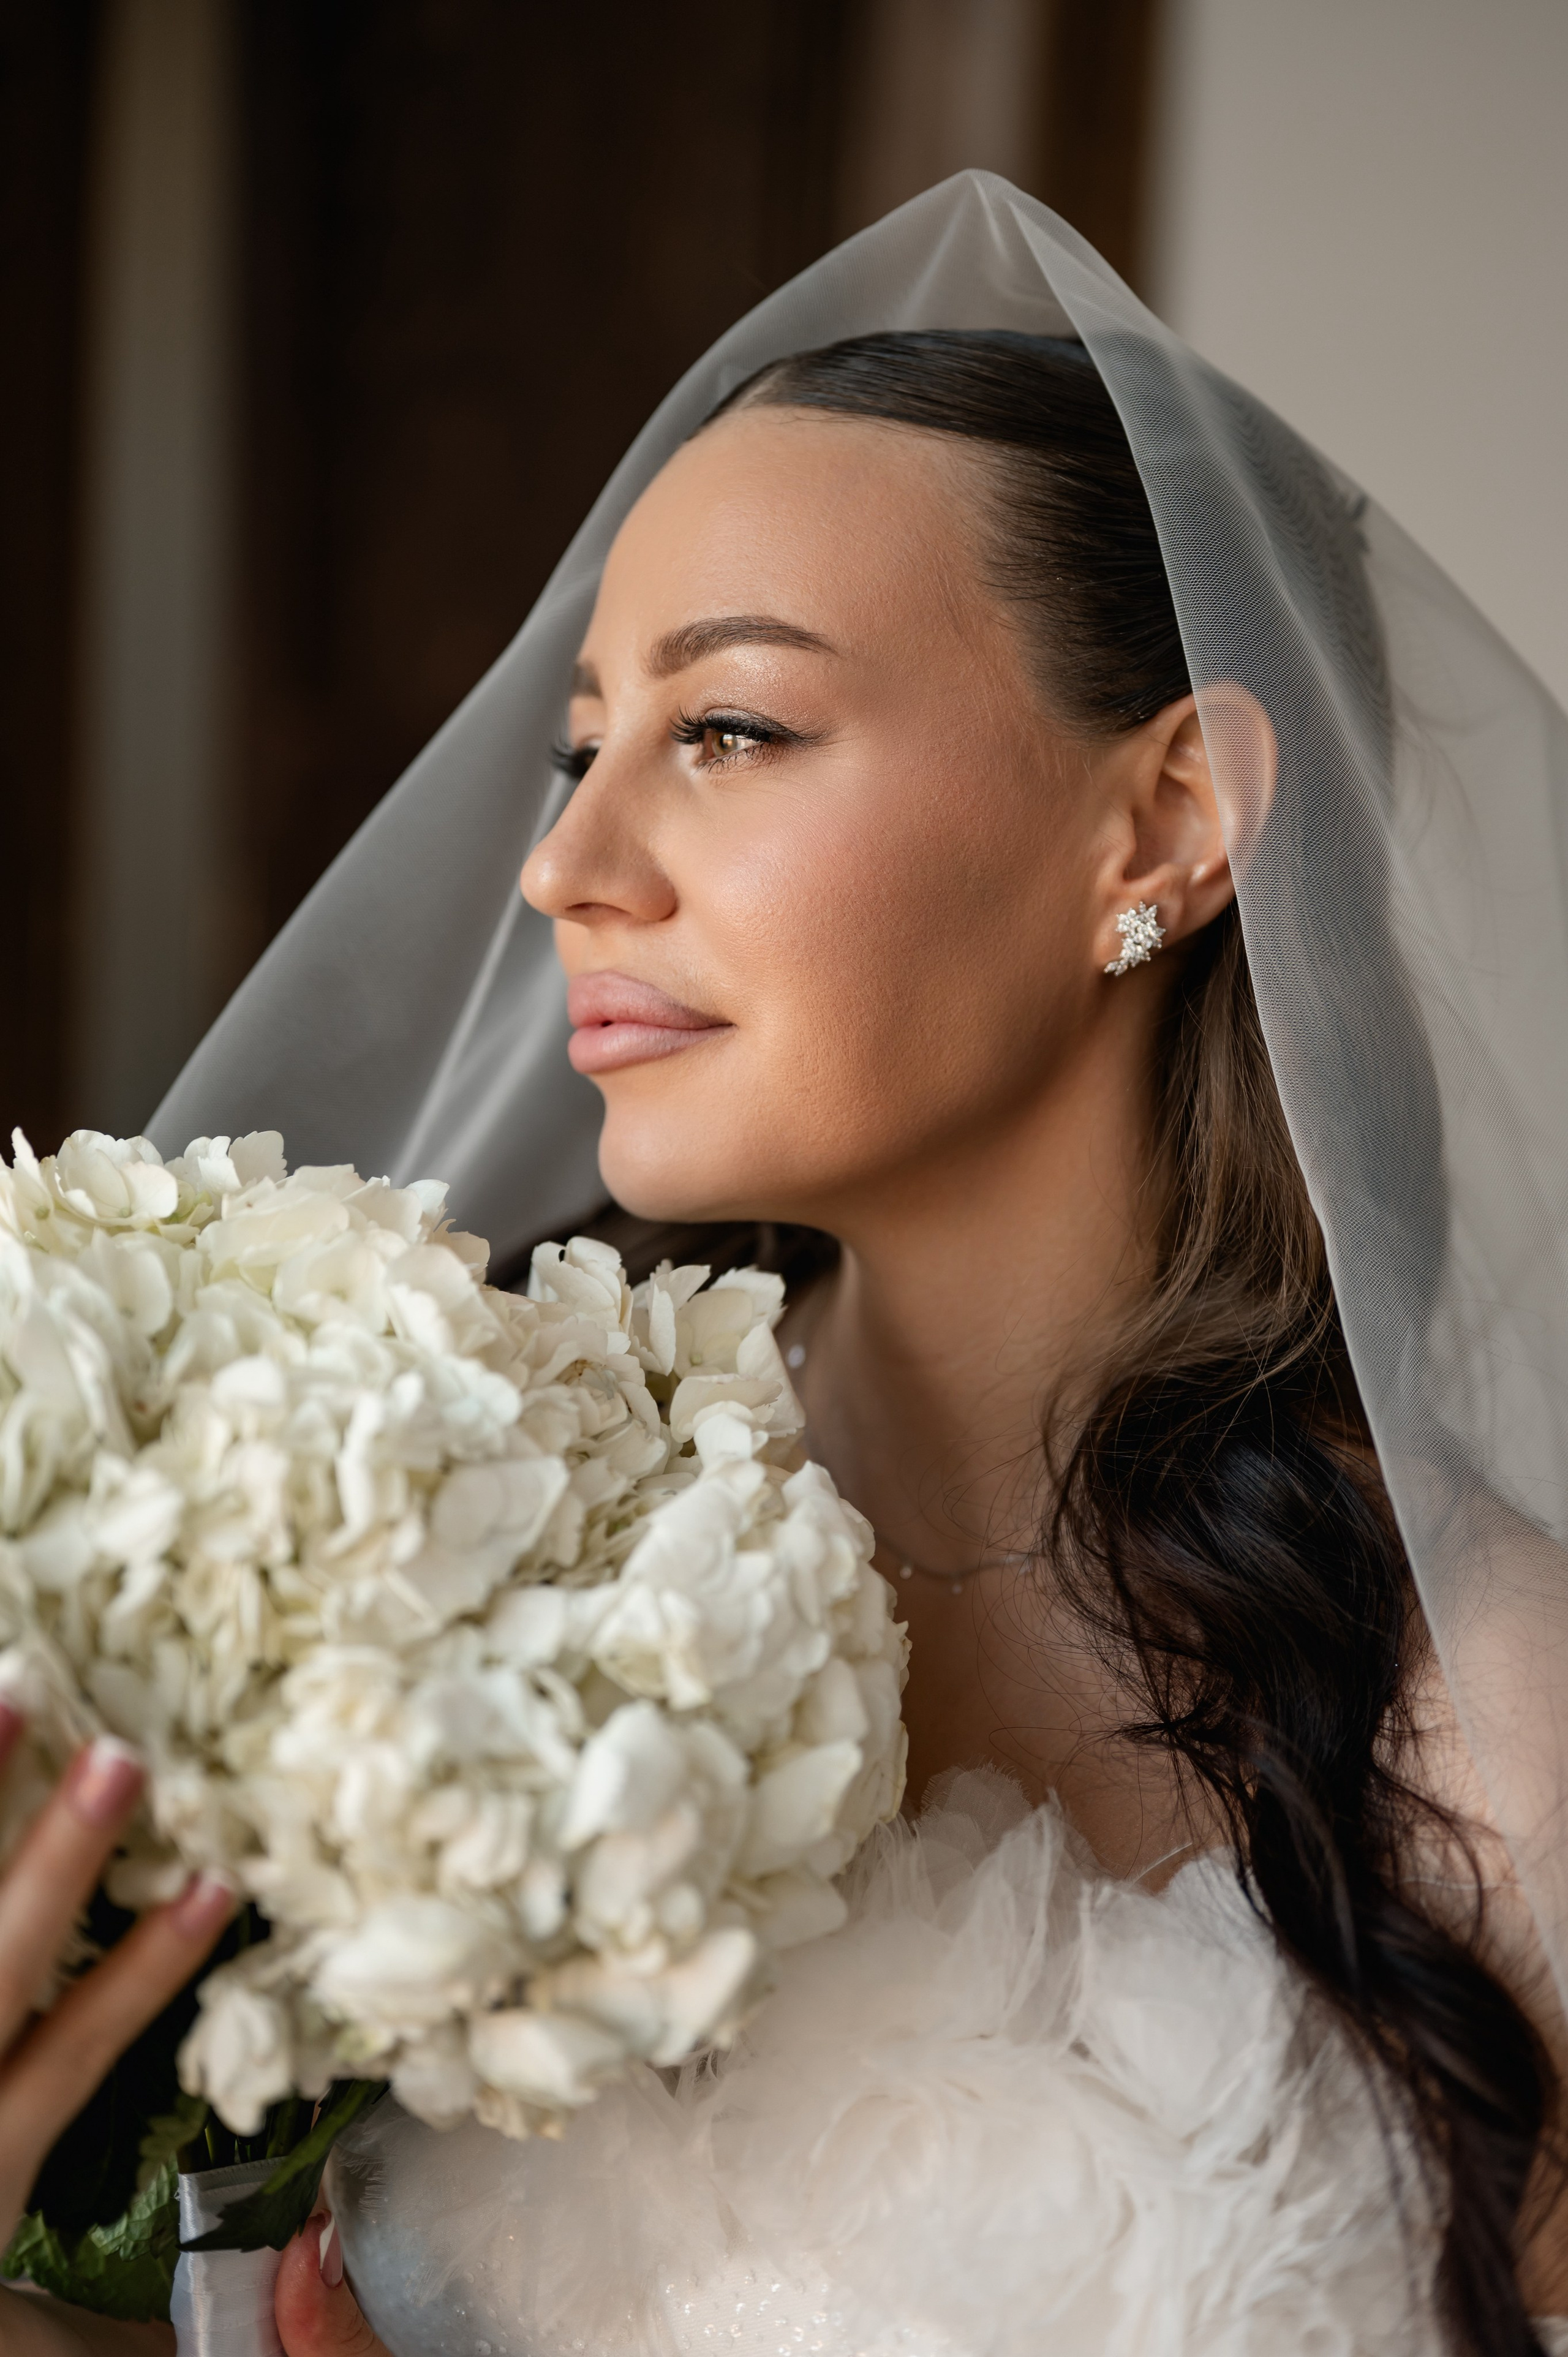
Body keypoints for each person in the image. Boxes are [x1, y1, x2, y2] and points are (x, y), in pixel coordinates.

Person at [8, 174, 1568, 2356]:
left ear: (1172, 820)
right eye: (582, 748)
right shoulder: (408, 1560)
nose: (567, 862)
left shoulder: (1501, 1729)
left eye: (727, 729)